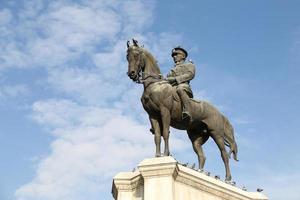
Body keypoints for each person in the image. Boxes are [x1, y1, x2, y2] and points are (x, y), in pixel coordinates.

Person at [166, 46, 196, 120]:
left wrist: (175, 79)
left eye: (176, 55)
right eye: (173, 56)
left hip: (183, 86)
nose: (174, 57)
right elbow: (168, 79)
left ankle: (187, 110)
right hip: (172, 87)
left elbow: (190, 75)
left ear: (182, 56)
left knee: (180, 89)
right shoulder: (172, 70)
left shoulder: (189, 65)